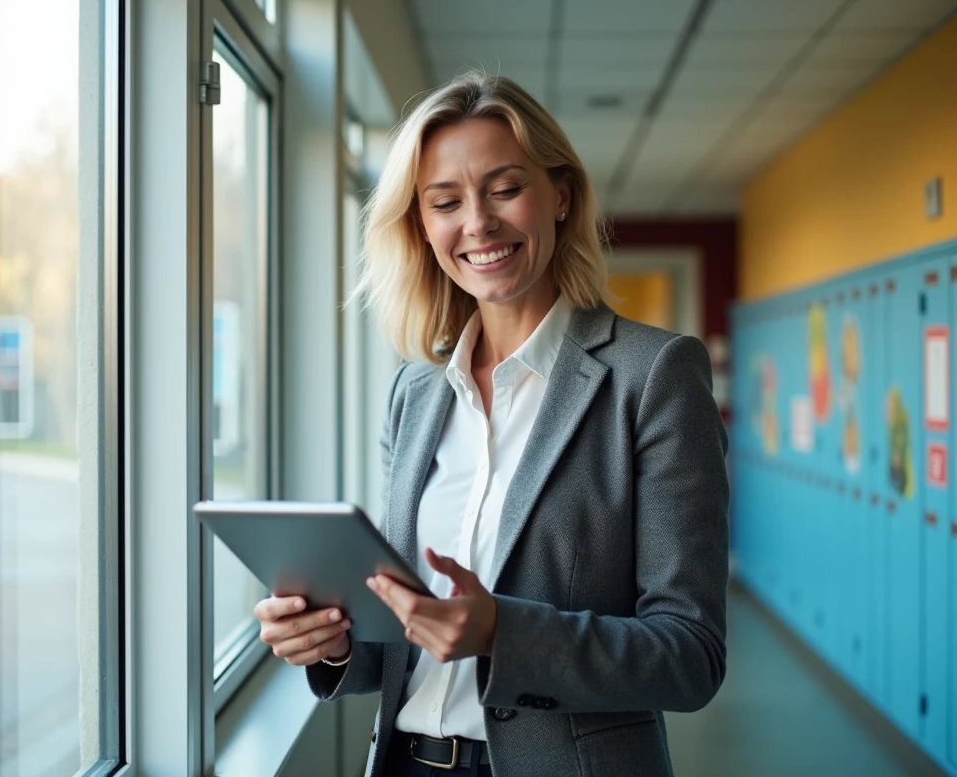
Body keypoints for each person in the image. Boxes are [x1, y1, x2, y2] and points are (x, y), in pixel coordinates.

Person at [253, 71, 729, 776]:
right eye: (445, 201)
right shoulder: (414, 393)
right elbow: (413, 634)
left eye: (506, 189)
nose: (477, 222)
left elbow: (691, 654)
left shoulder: (653, 375)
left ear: (560, 194)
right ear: (421, 224)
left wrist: (504, 632)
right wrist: (333, 642)